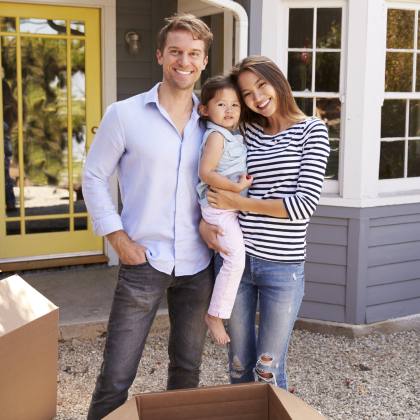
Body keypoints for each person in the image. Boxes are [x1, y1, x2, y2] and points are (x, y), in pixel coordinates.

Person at [82, 14, 214, 419]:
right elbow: (93, 175)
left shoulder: (213, 121)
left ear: (204, 61)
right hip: (144, 261)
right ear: (160, 55)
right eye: (176, 51)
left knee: (187, 370)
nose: (184, 61)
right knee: (117, 375)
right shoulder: (124, 114)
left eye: (194, 53)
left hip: (198, 263)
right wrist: (116, 237)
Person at [200, 56, 330, 390]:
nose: (256, 98)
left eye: (261, 85)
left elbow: (302, 206)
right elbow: (206, 163)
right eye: (246, 94)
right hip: (236, 261)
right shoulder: (247, 131)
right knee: (238, 366)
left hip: (283, 269)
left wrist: (238, 202)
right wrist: (204, 224)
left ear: (278, 81)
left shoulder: (312, 131)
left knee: (267, 370)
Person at [196, 75, 252, 345]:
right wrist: (235, 188)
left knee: (234, 257)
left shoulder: (233, 136)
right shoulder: (216, 136)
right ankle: (215, 315)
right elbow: (205, 172)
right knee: (235, 259)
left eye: (235, 105)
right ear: (205, 109)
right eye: (221, 105)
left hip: (227, 206)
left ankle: (217, 312)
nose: (230, 110)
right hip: (219, 206)